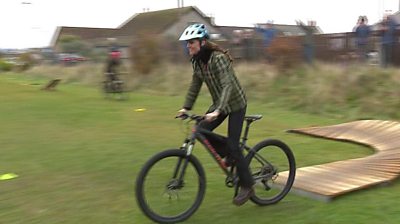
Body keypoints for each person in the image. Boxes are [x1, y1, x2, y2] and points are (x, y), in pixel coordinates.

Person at [177, 23, 254, 206]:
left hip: (235, 104)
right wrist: (186, 107)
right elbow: (195, 86)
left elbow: (227, 85)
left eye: (192, 42)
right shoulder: (196, 62)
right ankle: (230, 153)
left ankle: (248, 186)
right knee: (200, 129)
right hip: (219, 104)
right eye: (187, 43)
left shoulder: (218, 58)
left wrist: (218, 110)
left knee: (234, 146)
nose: (189, 46)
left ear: (202, 43)